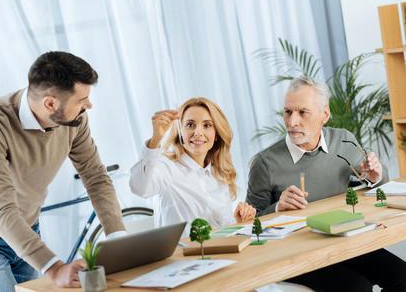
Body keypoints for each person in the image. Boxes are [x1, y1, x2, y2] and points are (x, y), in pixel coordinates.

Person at [0, 51, 126, 292]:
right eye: (81, 100)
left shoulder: (75, 120)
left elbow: (96, 177)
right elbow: (2, 211)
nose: (88, 105)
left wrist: (119, 240)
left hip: (26, 227)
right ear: (50, 103)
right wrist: (55, 268)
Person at [246, 76, 406, 291]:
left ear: (325, 114)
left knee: (402, 275)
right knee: (357, 288)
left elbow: (380, 175)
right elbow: (249, 223)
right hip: (297, 253)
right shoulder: (265, 162)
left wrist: (374, 175)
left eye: (302, 112)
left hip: (343, 240)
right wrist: (276, 208)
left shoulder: (343, 140)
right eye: (288, 111)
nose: (292, 122)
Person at [129, 97, 256, 238]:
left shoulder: (219, 173)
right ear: (179, 131)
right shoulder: (166, 166)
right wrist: (155, 139)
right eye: (190, 125)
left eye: (207, 125)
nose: (198, 133)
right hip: (181, 257)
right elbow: (139, 188)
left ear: (216, 135)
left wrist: (237, 221)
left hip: (216, 254)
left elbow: (221, 227)